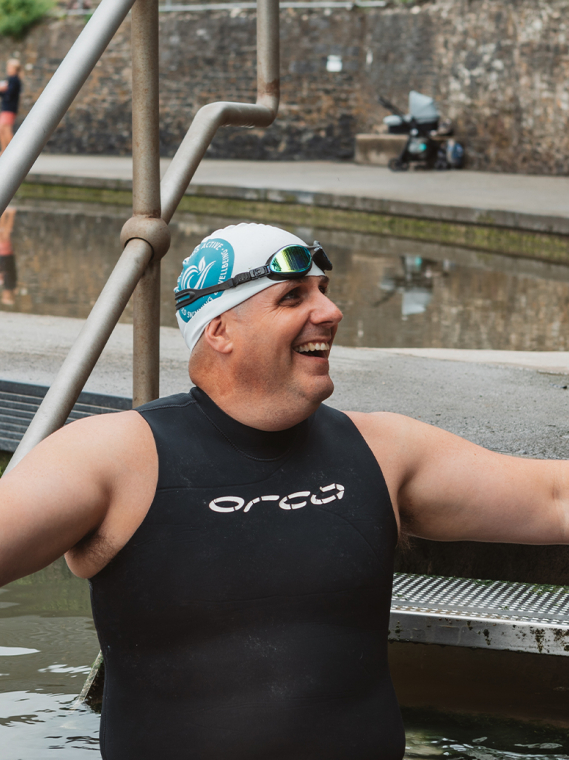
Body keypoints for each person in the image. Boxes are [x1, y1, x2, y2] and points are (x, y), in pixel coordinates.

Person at [0, 222, 568, 760]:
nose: (331, 311)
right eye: (293, 297)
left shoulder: (383, 449)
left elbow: (553, 499)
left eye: (322, 291)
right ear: (219, 329)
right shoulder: (113, 455)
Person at [0, 59, 22, 153]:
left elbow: (10, 94)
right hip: (7, 108)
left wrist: (3, 89)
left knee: (5, 129)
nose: (8, 69)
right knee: (2, 129)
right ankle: (5, 150)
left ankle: (11, 151)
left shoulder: (14, 80)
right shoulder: (11, 80)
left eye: (10, 67)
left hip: (9, 108)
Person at [0, 206, 17, 305]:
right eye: (6, 297)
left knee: (2, 234)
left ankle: (6, 212)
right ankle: (11, 213)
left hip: (6, 258)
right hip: (5, 258)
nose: (4, 295)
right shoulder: (9, 285)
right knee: (5, 235)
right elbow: (7, 272)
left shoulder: (9, 286)